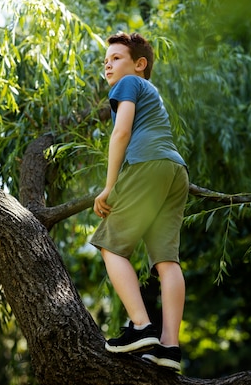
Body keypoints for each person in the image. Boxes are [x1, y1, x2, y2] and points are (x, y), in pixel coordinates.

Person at [90, 32, 189, 372]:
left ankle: (141, 327)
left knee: (111, 246)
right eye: (106, 59)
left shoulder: (129, 85)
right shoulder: (152, 92)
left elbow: (121, 133)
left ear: (139, 64)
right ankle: (170, 348)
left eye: (116, 58)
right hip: (176, 172)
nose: (108, 64)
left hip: (146, 165)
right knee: (166, 261)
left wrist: (109, 187)